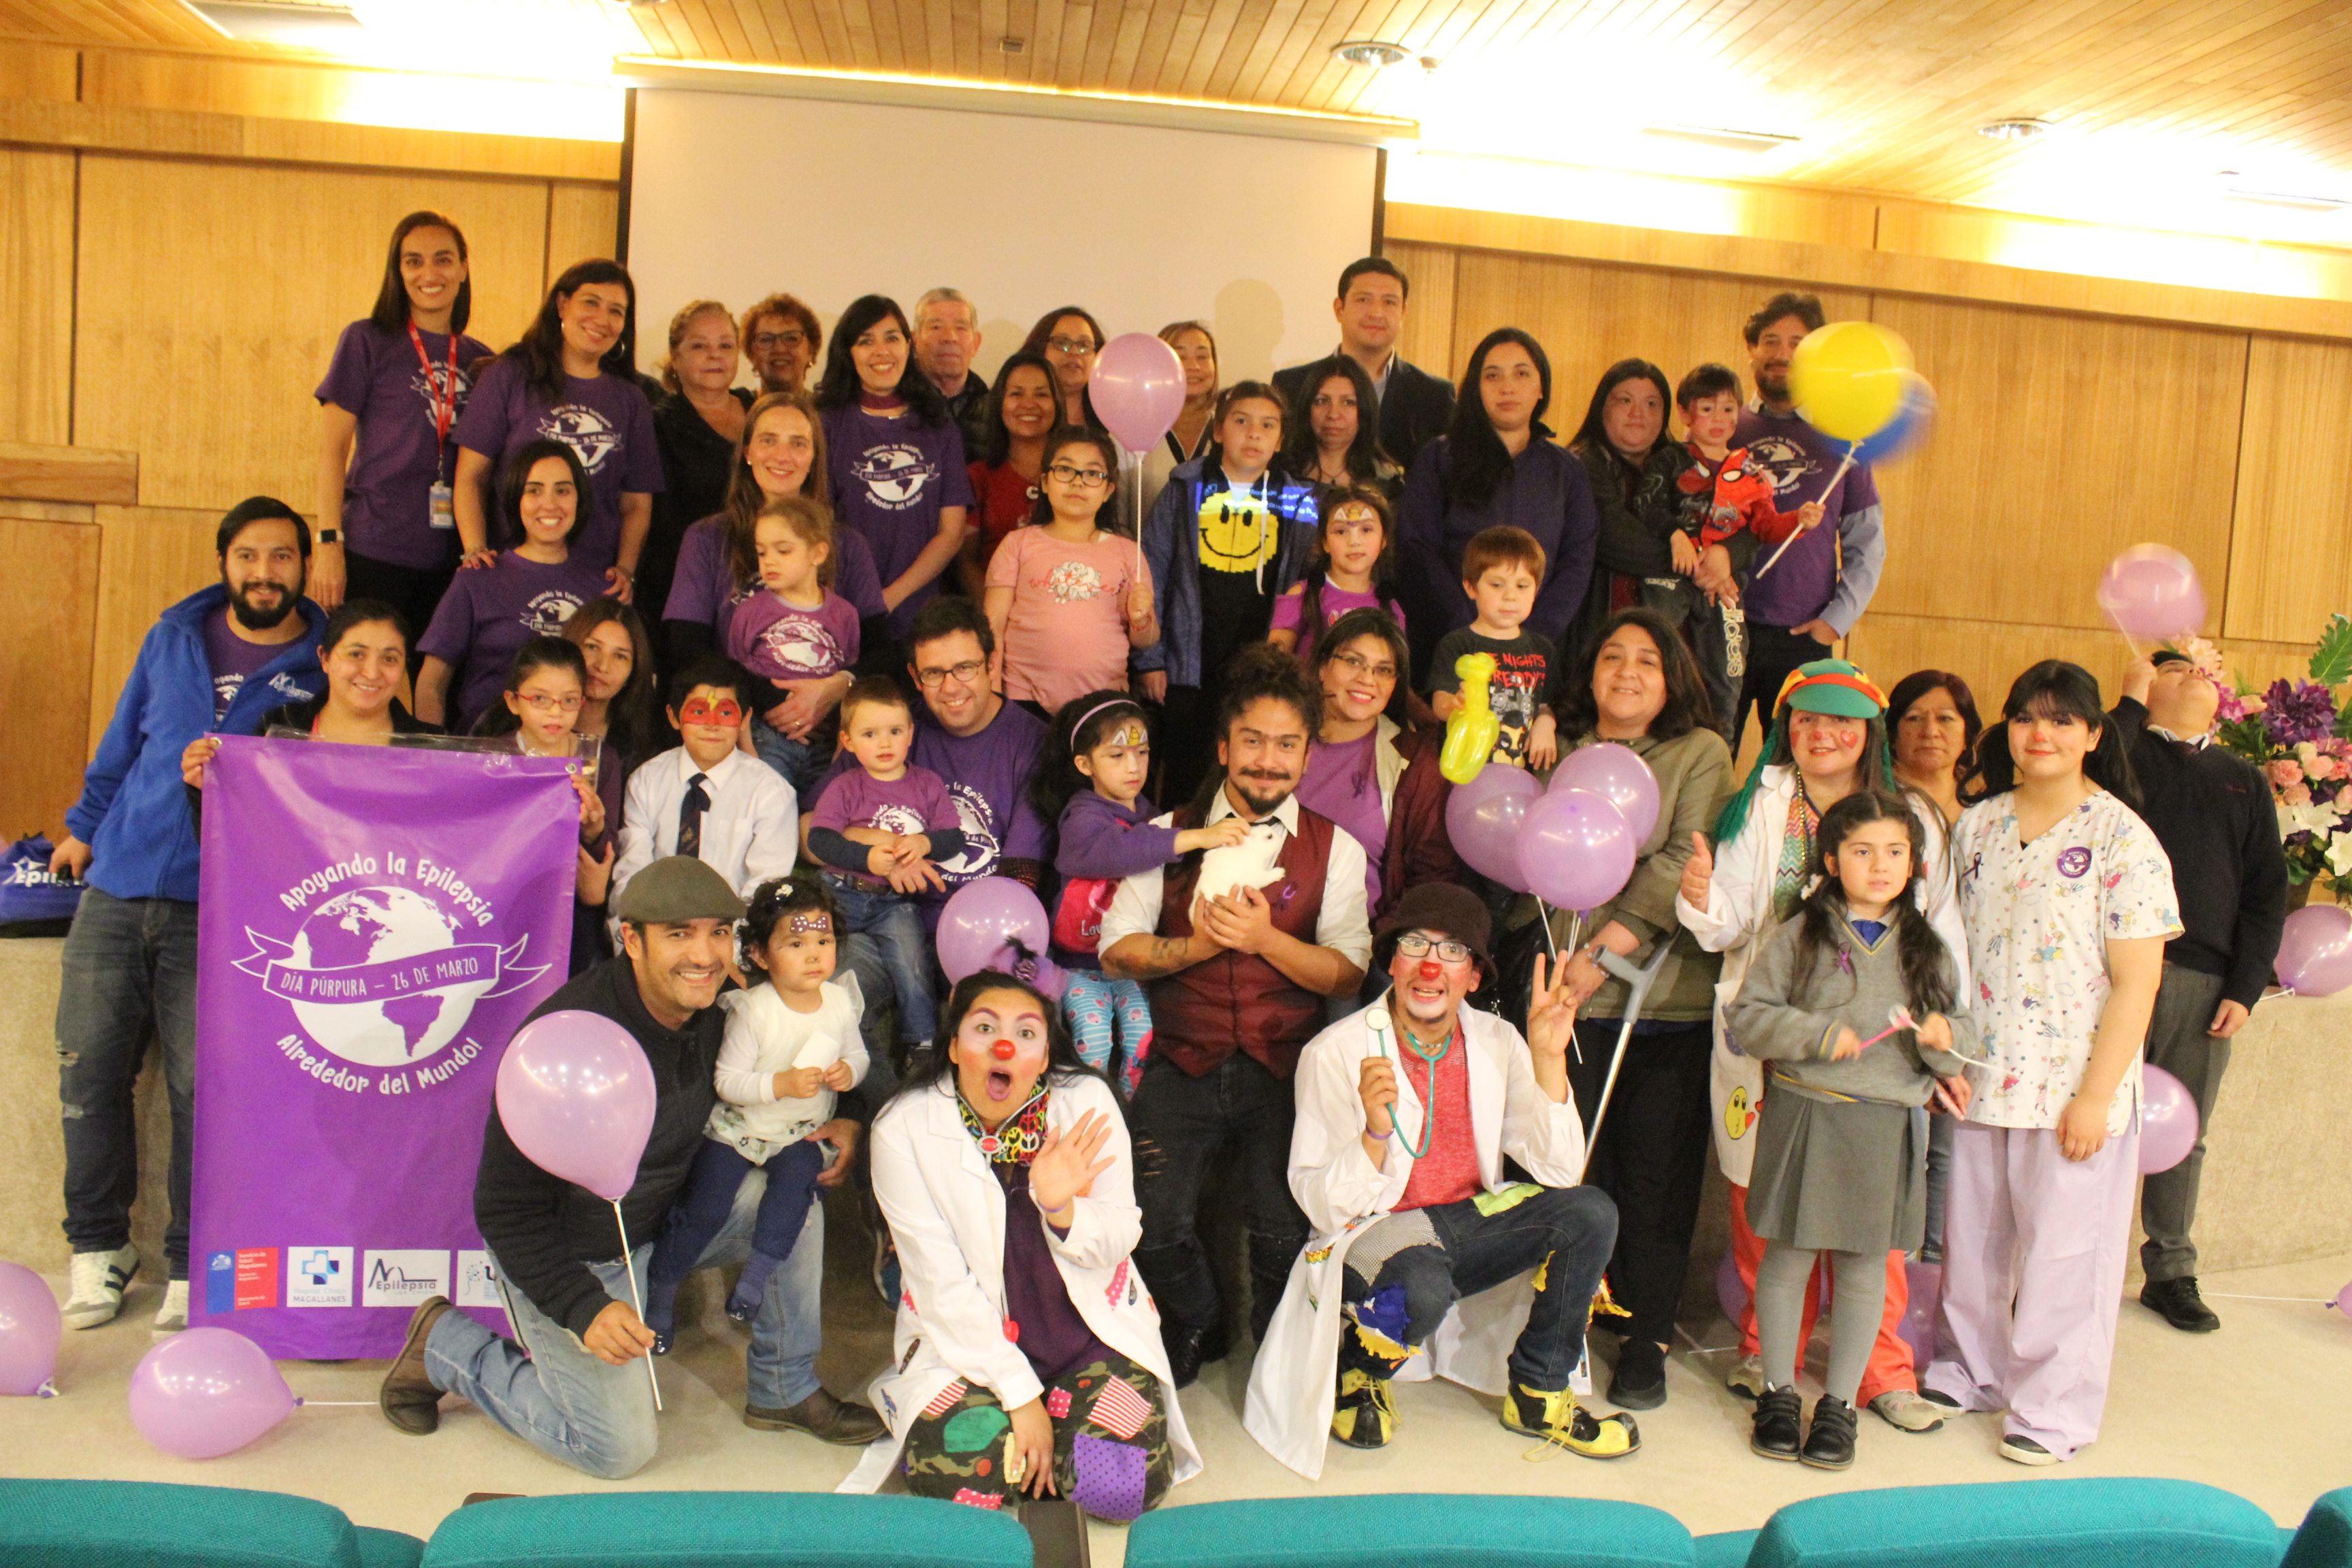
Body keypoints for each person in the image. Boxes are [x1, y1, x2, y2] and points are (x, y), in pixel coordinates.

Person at [376, 856, 884, 1474]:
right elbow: (503, 1210)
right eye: (678, 934)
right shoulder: (568, 1040)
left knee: (793, 1196)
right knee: (617, 1450)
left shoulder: (721, 1006)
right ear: (631, 941)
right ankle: (446, 1346)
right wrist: (583, 1306)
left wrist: (849, 1111)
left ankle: (782, 1386)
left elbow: (806, 1043)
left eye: (717, 933)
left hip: (666, 1228)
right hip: (580, 1255)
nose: (703, 954)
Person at [1244, 883, 1637, 1475]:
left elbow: (1558, 1171)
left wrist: (1549, 1060)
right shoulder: (1335, 1051)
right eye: (1415, 945)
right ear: (1392, 963)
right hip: (1376, 1233)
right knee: (1422, 1283)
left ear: (1475, 977)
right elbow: (1321, 1204)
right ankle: (1361, 1370)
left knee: (1590, 1212)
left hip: (1466, 1222)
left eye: (1453, 951)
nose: (1431, 966)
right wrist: (1374, 1138)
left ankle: (1537, 1390)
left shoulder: (1499, 1041)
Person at [52, 497, 327, 1333]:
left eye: (282, 558)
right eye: (249, 557)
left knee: (202, 1092)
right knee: (88, 1075)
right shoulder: (171, 637)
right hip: (117, 888)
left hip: (223, 907)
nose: (265, 574)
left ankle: (187, 1257)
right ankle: (98, 1250)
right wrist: (81, 830)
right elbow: (122, 744)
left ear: (303, 569)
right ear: (224, 562)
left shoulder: (324, 666)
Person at [1678, 657, 1960, 1433]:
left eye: (1841, 721)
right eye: (1807, 720)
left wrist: (1944, 1049)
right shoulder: (1757, 806)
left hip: (1880, 1059)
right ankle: (1768, 1354)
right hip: (1768, 1036)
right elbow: (1732, 926)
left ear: (1868, 732)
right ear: (1786, 728)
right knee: (1762, 1200)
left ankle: (1882, 1373)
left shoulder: (1913, 820)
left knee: (1877, 1232)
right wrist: (1701, 899)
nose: (1823, 734)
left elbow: (1944, 947)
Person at [1925, 660, 2178, 1466]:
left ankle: (2053, 1412)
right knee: (1971, 1242)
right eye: (2029, 718)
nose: (2043, 734)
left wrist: (2095, 1097)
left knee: (2071, 1255)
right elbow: (1950, 950)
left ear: (2094, 736)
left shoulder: (2122, 838)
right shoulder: (1978, 826)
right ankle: (1969, 1370)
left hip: (2074, 1085)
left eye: (2063, 720)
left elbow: (2138, 983)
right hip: (1982, 1075)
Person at [1099, 648, 1373, 1384]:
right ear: (1224, 746)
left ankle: (1279, 1357)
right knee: (1148, 1226)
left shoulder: (1334, 849)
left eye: (1287, 745)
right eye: (1252, 740)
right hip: (1180, 1056)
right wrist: (1194, 947)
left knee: (1282, 1229)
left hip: (1287, 1063)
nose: (1267, 760)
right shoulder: (1166, 832)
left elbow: (1347, 967)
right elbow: (1116, 950)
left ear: (1308, 755)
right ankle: (1200, 1321)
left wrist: (1264, 940)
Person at [851, 973, 1199, 1518]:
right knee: (964, 1484)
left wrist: (1062, 1209)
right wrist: (1018, 1394)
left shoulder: (1084, 1102)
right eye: (984, 1027)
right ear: (953, 1047)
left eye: (1026, 1033)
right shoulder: (904, 1125)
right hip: (966, 1350)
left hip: (1087, 1341)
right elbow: (939, 1284)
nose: (1003, 1046)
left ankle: (1066, 1429)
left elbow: (1119, 1236)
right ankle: (1049, 1431)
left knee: (1122, 1490)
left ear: (1043, 1057)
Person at [1729, 790, 1978, 1469]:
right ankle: (1779, 1392)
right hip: (1805, 1110)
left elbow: (1965, 1044)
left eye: (1895, 852)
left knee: (1868, 1265)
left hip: (1886, 1123)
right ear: (1833, 860)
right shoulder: (1800, 935)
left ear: (1914, 864)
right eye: (1862, 852)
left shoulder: (1930, 951)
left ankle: (1838, 1406)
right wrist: (1815, 1034)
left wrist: (1941, 1038)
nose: (1879, 866)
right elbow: (1748, 1017)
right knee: (1789, 1257)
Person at [1539, 608, 1733, 1410]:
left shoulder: (1699, 753)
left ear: (1673, 678)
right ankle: (1567, 1326)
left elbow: (1673, 865)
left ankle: (1647, 1336)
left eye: (1646, 661)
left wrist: (1598, 958)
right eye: (1611, 656)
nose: (1626, 672)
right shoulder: (1562, 752)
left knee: (1656, 1181)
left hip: (1662, 1003)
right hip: (1565, 1010)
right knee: (1579, 1175)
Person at [2111, 650, 2287, 1333]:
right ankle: (2064, 1262)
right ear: (2145, 685)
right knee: (2090, 1120)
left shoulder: (2243, 778)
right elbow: (2093, 779)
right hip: (2115, 973)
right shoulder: (2119, 754)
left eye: (2203, 668)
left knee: (2186, 1131)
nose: (2194, 674)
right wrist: (2126, 707)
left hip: (2202, 979)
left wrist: (2245, 986)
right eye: (2174, 666)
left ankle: (2172, 1270)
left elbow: (2266, 894)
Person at [642, 874, 865, 1352]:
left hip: (797, 1134)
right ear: (761, 955)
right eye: (796, 943)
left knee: (798, 1193)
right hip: (737, 1131)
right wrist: (779, 1084)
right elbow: (728, 1081)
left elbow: (859, 1055)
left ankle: (754, 1281)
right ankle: (660, 1293)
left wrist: (850, 1071)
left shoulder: (840, 1001)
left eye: (823, 941)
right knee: (704, 1208)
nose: (813, 955)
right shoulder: (753, 1010)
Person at [1034, 691, 1251, 1091]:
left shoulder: (1153, 816)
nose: (1134, 767)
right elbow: (1125, 850)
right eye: (1116, 756)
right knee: (1093, 1042)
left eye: (1143, 752)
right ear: (1085, 764)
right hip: (1078, 966)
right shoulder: (1080, 818)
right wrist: (1195, 836)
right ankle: (1087, 1110)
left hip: (1130, 964)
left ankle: (1128, 1117)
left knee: (1143, 1036)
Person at [662, 391, 885, 760]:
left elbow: (881, 652)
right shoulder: (706, 539)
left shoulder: (847, 544)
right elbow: (688, 651)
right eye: (768, 441)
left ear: (814, 459)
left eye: (798, 443)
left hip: (834, 736)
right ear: (747, 452)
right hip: (738, 732)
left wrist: (834, 689)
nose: (782, 456)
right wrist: (778, 705)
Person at [1137, 381, 1320, 805]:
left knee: (1247, 776)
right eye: (1241, 422)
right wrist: (1150, 659)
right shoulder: (1183, 489)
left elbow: (1307, 576)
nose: (1254, 434)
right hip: (1189, 666)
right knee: (1185, 778)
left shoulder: (1298, 499)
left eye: (1267, 425)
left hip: (1261, 663)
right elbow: (1152, 573)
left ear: (1280, 439)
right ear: (1218, 431)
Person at [312, 211, 490, 630]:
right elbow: (332, 451)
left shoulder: (481, 360)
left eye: (443, 259)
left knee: (435, 685)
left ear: (463, 268)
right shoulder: (366, 340)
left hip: (451, 557)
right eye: (414, 261)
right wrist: (328, 543)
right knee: (367, 680)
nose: (430, 272)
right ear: (399, 271)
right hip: (373, 547)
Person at [1396, 328, 1597, 684]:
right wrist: (1471, 628)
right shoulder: (1440, 457)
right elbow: (1418, 547)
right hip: (1451, 645)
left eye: (1522, 374)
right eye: (1493, 376)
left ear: (1541, 388)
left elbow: (1577, 561)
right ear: (1476, 387)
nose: (1507, 387)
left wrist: (1528, 639)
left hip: (1537, 653)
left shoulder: (1567, 470)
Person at [451, 259, 664, 593]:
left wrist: (625, 569)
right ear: (562, 305)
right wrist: (475, 550)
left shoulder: (632, 400)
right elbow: (470, 477)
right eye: (591, 302)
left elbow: (636, 504)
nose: (602, 320)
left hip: (594, 583)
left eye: (616, 311)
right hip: (509, 573)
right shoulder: (509, 376)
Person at [1730, 292, 1887, 744]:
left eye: (1797, 344)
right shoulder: (1723, 426)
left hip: (1802, 634)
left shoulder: (1843, 437)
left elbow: (1867, 543)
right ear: (1752, 349)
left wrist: (1834, 622)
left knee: (1796, 765)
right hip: (1722, 626)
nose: (1781, 355)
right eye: (1770, 341)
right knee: (1714, 756)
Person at [805, 676, 968, 1068]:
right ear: (848, 741)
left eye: (895, 732)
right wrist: (866, 857)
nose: (884, 743)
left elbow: (954, 838)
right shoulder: (847, 786)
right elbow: (820, 840)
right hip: (840, 892)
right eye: (870, 733)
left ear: (910, 734)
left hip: (895, 904)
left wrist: (926, 843)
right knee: (811, 956)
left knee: (913, 963)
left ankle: (923, 1045)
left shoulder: (926, 784)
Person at [414, 440, 607, 734]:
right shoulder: (479, 577)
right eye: (534, 490)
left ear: (579, 499)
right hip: (485, 752)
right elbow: (432, 683)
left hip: (569, 762)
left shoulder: (603, 587)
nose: (550, 503)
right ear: (516, 499)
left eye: (563, 490)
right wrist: (431, 756)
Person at [815, 295, 975, 639]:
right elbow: (817, 523)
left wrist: (891, 597)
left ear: (908, 346)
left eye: (891, 338)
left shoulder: (938, 425)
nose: (881, 351)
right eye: (865, 341)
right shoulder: (825, 423)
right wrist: (859, 602)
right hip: (846, 609)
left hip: (922, 615)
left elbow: (952, 532)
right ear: (848, 352)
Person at [611, 657, 800, 930]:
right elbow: (632, 874)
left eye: (725, 713)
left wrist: (724, 949)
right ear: (674, 717)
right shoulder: (646, 781)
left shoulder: (770, 792)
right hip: (655, 930)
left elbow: (766, 890)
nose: (712, 725)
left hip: (732, 939)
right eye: (699, 713)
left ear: (745, 719)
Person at [468, 636, 623, 968]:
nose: (555, 712)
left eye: (568, 701)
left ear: (582, 702)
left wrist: (594, 829)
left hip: (570, 915)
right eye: (540, 699)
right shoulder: (491, 758)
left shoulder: (599, 760)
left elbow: (604, 857)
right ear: (513, 701)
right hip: (500, 905)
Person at [1299, 608, 1458, 923]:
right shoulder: (1276, 736)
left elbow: (1430, 880)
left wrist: (1375, 948)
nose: (1367, 679)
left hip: (1358, 947)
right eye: (1353, 661)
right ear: (1321, 667)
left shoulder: (1415, 761)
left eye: (1383, 670)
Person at [985, 426, 1158, 716]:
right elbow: (993, 629)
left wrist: (1142, 619)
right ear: (1044, 482)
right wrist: (992, 697)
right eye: (1065, 470)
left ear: (1108, 491)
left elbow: (1146, 639)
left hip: (1103, 701)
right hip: (1024, 698)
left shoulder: (1128, 552)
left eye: (1093, 474)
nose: (1078, 482)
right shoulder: (1017, 544)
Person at [725, 493, 860, 798]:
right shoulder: (750, 611)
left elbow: (849, 674)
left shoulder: (845, 614)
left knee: (823, 815)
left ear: (817, 553)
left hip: (825, 741)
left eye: (783, 550)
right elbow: (736, 672)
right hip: (768, 736)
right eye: (761, 552)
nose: (769, 561)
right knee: (769, 810)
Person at [1273, 257, 1455, 472]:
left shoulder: (1434, 395)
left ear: (1403, 312)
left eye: (1389, 302)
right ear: (1339, 309)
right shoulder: (1291, 385)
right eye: (1363, 300)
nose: (1376, 313)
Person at [644, 300, 751, 637]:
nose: (714, 355)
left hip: (763, 579)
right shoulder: (657, 425)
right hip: (687, 592)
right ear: (675, 358)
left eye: (725, 345)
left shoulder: (760, 410)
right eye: (699, 346)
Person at [1425, 525, 1560, 771]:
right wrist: (1456, 703)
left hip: (1521, 777)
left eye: (1522, 586)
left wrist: (1546, 725)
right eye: (1497, 585)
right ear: (1471, 587)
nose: (1510, 596)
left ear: (1536, 591)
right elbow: (1440, 701)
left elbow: (1546, 705)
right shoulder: (1457, 644)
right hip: (1466, 774)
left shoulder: (1543, 649)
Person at [1268, 487, 1405, 668]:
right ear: (1324, 542)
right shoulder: (1303, 595)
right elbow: (1272, 667)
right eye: (1341, 532)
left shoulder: (1392, 611)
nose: (1354, 541)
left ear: (1384, 541)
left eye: (1366, 530)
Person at [961, 351, 1060, 595]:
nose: (1029, 404)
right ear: (999, 403)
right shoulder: (978, 476)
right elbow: (964, 562)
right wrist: (998, 614)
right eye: (1016, 394)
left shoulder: (1075, 474)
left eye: (1041, 394)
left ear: (1058, 403)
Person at [1280, 355, 1403, 500]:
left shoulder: (1386, 480)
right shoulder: (1280, 472)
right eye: (1321, 401)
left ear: (1365, 409)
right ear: (1307, 408)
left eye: (1348, 403)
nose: (1333, 414)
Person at [1889, 669, 1980, 830]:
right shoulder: (1872, 803)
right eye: (1914, 718)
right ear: (1892, 733)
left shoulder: (1986, 806)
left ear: (1967, 735)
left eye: (1945, 718)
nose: (1930, 731)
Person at [1144, 321, 1220, 502]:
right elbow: (1120, 515)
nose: (1193, 366)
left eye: (1202, 356)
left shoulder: (1230, 429)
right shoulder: (1132, 432)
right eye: (1180, 357)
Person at [913, 287, 991, 457]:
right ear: (915, 341)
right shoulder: (896, 404)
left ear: (976, 344)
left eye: (961, 328)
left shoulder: (997, 411)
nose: (950, 337)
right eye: (936, 327)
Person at [1021, 306, 1109, 428]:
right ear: (1039, 348)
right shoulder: (1018, 415)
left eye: (1084, 345)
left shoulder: (1111, 421)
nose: (1074, 352)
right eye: (1062, 343)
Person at [741, 292, 821, 395]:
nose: (779, 349)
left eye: (791, 338)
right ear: (751, 354)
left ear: (811, 350)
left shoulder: (829, 410)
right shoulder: (736, 409)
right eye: (766, 339)